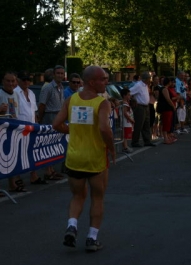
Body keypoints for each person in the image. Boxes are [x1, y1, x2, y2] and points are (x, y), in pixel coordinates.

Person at [52, 65, 116, 252]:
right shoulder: (102, 103)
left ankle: (72, 225)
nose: (106, 82)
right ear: (91, 82)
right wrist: (112, 149)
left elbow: (56, 124)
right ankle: (92, 238)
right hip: (95, 157)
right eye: (103, 79)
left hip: (74, 157)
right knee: (97, 197)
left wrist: (72, 129)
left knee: (77, 195)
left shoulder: (71, 100)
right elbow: (105, 129)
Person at [0, 72, 27, 193]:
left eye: (13, 81)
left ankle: (12, 184)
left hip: (13, 130)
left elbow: (16, 112)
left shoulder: (16, 94)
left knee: (12, 158)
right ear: (3, 81)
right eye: (8, 81)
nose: (10, 83)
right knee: (0, 158)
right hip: (0, 131)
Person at [15, 70, 48, 185]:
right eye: (24, 80)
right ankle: (17, 177)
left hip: (31, 126)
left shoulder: (32, 93)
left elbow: (34, 112)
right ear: (18, 80)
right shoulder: (15, 93)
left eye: (28, 80)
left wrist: (36, 125)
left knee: (31, 152)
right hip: (19, 128)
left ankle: (33, 175)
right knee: (18, 153)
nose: (26, 82)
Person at [38, 65, 66, 180]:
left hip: (58, 116)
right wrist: (40, 118)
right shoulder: (48, 88)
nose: (60, 75)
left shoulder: (61, 87)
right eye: (58, 73)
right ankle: (47, 171)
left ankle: (52, 170)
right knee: (48, 144)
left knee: (55, 144)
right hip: (49, 116)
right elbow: (42, 104)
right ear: (54, 75)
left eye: (61, 73)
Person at [130, 71, 155, 147]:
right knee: (139, 124)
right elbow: (130, 92)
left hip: (146, 106)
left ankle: (147, 140)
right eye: (148, 79)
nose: (149, 80)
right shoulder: (138, 85)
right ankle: (135, 141)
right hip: (140, 106)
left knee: (146, 124)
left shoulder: (145, 85)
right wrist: (133, 100)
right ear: (145, 79)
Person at [156, 77, 177, 144]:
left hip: (167, 108)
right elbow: (168, 99)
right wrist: (173, 106)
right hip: (166, 108)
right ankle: (165, 138)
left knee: (168, 123)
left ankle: (167, 137)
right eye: (170, 82)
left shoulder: (165, 89)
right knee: (166, 123)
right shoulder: (164, 89)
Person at [120, 88, 134, 153]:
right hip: (125, 122)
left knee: (125, 134)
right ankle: (125, 147)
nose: (129, 96)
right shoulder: (124, 103)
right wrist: (130, 119)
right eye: (128, 95)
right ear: (124, 96)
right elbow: (125, 113)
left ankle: (126, 146)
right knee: (124, 135)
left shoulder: (126, 103)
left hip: (127, 121)